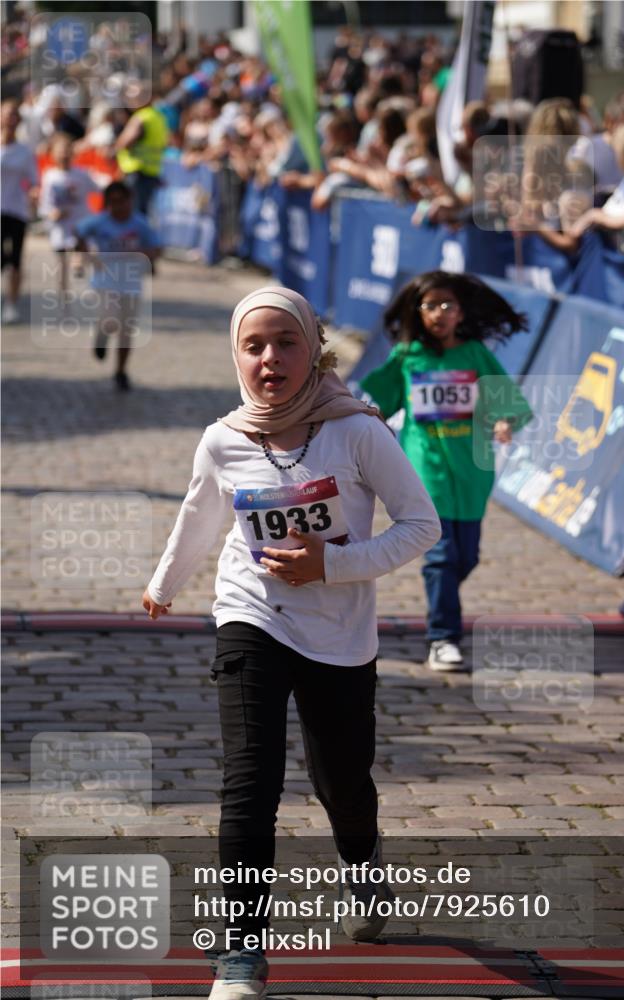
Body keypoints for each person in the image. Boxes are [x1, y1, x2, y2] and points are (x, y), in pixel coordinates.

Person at [142, 286, 440, 999]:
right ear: (236, 356)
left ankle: (361, 858)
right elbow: (198, 514)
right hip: (251, 618)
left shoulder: (358, 430)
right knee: (250, 784)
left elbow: (419, 525)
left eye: (285, 342)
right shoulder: (223, 437)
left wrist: (329, 564)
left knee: (341, 780)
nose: (269, 358)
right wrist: (164, 583)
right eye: (253, 345)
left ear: (313, 350)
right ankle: (240, 951)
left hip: (338, 634)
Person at [361, 272, 533, 671]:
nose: (439, 313)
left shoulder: (474, 354)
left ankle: (444, 604)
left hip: (471, 472)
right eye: (430, 305)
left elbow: (507, 400)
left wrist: (505, 421)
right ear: (416, 312)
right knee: (440, 557)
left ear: (460, 312)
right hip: (425, 469)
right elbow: (375, 404)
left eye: (447, 305)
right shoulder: (406, 357)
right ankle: (443, 637)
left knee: (465, 558)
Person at [74, 180, 160, 391]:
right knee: (110, 318)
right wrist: (86, 256)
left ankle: (121, 371)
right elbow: (78, 232)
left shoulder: (140, 224)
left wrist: (146, 257)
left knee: (126, 331)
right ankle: (102, 336)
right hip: (105, 280)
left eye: (121, 201)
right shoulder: (100, 222)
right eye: (112, 202)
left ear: (130, 201)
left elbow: (157, 248)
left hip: (131, 283)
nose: (117, 206)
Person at [39, 134, 98, 296]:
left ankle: (80, 265)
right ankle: (63, 294)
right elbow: (45, 203)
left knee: (80, 249)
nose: (63, 155)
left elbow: (98, 189)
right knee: (61, 262)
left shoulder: (82, 174)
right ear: (53, 154)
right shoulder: (50, 176)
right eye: (60, 152)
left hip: (79, 222)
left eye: (67, 151)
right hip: (60, 226)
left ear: (73, 154)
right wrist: (52, 214)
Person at [1, 98, 38, 323]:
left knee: (15, 260)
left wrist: (34, 192)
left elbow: (34, 180)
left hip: (16, 209)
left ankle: (11, 304)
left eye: (15, 114)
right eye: (7, 113)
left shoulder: (24, 151)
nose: (10, 118)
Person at [114, 81, 170, 217]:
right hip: (152, 172)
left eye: (134, 96)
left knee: (133, 214)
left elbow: (123, 143)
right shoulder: (158, 117)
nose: (130, 100)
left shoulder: (141, 118)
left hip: (137, 172)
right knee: (143, 213)